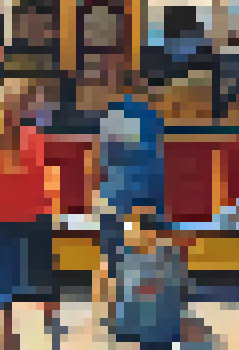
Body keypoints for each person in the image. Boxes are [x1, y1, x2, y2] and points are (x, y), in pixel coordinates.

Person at [0, 80, 60, 350]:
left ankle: (1, 334)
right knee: (36, 274)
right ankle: (49, 321)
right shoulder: (31, 139)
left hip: (2, 218)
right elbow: (38, 181)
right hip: (26, 217)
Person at [94, 76, 165, 328]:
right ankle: (139, 315)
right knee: (139, 260)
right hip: (144, 201)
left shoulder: (111, 118)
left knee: (111, 258)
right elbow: (156, 162)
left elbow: (101, 160)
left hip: (114, 197)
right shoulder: (153, 118)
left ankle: (110, 312)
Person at [108, 214, 198, 350]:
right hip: (136, 328)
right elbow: (122, 294)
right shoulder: (127, 258)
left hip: (159, 328)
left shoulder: (168, 257)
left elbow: (178, 292)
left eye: (134, 231)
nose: (131, 237)